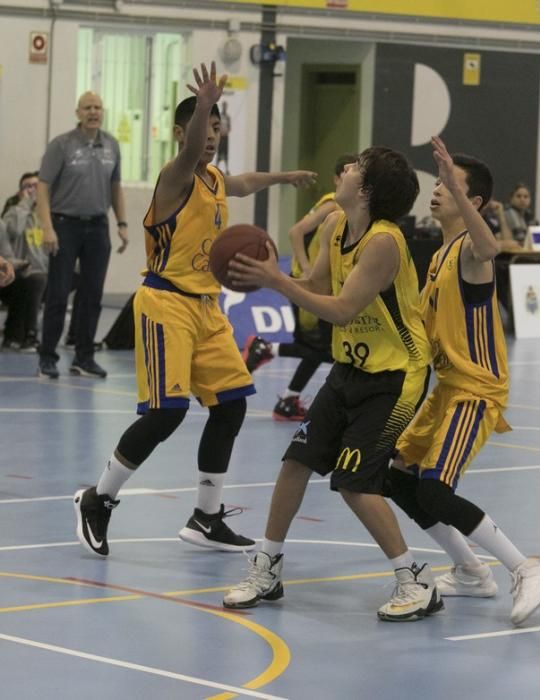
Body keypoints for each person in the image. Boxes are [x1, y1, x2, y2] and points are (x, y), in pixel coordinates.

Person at [73, 62, 317, 557]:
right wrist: (206, 102)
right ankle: (97, 499)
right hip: (166, 304)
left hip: (207, 309)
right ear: (184, 133)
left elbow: (243, 182)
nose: (211, 138)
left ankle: (205, 517)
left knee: (231, 406)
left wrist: (286, 176)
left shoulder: (212, 180)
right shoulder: (174, 177)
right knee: (166, 414)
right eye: (204, 129)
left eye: (218, 130)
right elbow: (188, 155)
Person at [223, 146, 442, 622]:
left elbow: (342, 309)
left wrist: (276, 281)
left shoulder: (384, 242)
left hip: (396, 376)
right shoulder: (335, 224)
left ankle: (415, 581)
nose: (341, 170)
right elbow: (317, 288)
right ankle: (269, 566)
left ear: (364, 190)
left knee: (355, 483)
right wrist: (272, 272)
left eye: (353, 168)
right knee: (296, 460)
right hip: (349, 369)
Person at [385, 136, 540, 626]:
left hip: (476, 390)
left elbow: (491, 246)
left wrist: (463, 197)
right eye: (438, 183)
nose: (437, 190)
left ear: (474, 201)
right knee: (395, 477)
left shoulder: (469, 251)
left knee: (437, 491)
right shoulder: (438, 257)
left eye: (449, 185)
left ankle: (526, 569)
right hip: (446, 390)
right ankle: (469, 570)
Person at [243, 153, 358, 421]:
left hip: (315, 285)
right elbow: (295, 231)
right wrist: (306, 269)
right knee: (327, 350)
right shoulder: (332, 205)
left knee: (320, 348)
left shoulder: (339, 206)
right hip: (310, 285)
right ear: (337, 178)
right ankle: (268, 350)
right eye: (346, 173)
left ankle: (288, 399)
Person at [36, 90, 129, 380]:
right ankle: (47, 358)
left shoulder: (112, 145)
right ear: (78, 112)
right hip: (65, 226)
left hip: (98, 227)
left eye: (98, 107)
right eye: (87, 107)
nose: (93, 112)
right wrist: (47, 227)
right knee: (59, 293)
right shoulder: (61, 145)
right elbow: (42, 187)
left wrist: (122, 223)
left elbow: (116, 187)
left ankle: (84, 357)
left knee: (92, 295)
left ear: (103, 112)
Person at [2, 171, 48, 351]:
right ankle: (30, 335)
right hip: (24, 273)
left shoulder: (50, 215)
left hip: (47, 272)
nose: (32, 190)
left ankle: (74, 337)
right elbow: (11, 231)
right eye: (27, 187)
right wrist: (25, 204)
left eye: (36, 186)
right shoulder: (14, 212)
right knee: (33, 281)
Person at [216, 100, 231, 174]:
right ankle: (216, 167)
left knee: (226, 153)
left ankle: (227, 169)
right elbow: (217, 126)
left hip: (226, 137)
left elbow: (229, 127)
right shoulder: (220, 116)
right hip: (220, 137)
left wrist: (226, 131)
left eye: (226, 106)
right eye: (223, 106)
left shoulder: (228, 117)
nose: (224, 107)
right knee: (219, 152)